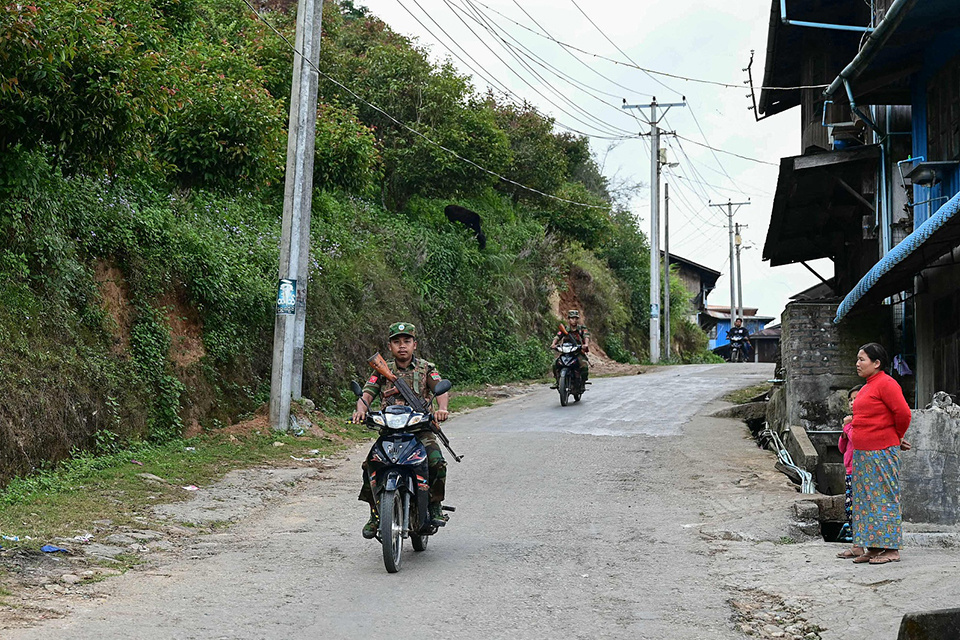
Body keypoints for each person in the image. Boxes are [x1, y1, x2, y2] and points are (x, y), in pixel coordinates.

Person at [351, 322, 450, 539]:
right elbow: (366, 394)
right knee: (371, 465)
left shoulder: (426, 369)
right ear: (390, 346)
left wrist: (442, 409)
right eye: (397, 342)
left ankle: (434, 505)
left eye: (406, 341)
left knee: (436, 462)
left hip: (420, 430)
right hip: (390, 431)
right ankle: (376, 515)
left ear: (415, 344)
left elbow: (439, 388)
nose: (402, 346)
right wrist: (360, 411)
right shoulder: (381, 369)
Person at [846, 343, 912, 565]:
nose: (857, 363)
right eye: (857, 359)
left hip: (881, 451)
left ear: (877, 363)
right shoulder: (866, 387)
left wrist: (898, 436)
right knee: (865, 500)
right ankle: (873, 548)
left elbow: (903, 413)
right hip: (864, 453)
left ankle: (891, 549)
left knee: (884, 498)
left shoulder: (886, 384)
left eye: (862, 359)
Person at [836, 384, 862, 557]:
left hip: (860, 472)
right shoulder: (852, 421)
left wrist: (848, 427)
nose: (853, 403)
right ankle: (857, 545)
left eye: (856, 399)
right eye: (851, 400)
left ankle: (860, 545)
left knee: (858, 509)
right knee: (850, 509)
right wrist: (844, 433)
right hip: (850, 470)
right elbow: (842, 448)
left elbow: (858, 440)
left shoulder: (861, 421)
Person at [550, 309, 590, 385]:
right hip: (566, 351)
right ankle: (558, 381)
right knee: (555, 364)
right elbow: (557, 336)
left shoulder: (581, 328)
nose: (573, 320)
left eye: (575, 318)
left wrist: (586, 344)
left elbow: (586, 336)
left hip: (577, 351)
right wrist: (553, 344)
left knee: (584, 365)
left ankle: (582, 382)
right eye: (572, 318)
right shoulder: (565, 329)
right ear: (568, 319)